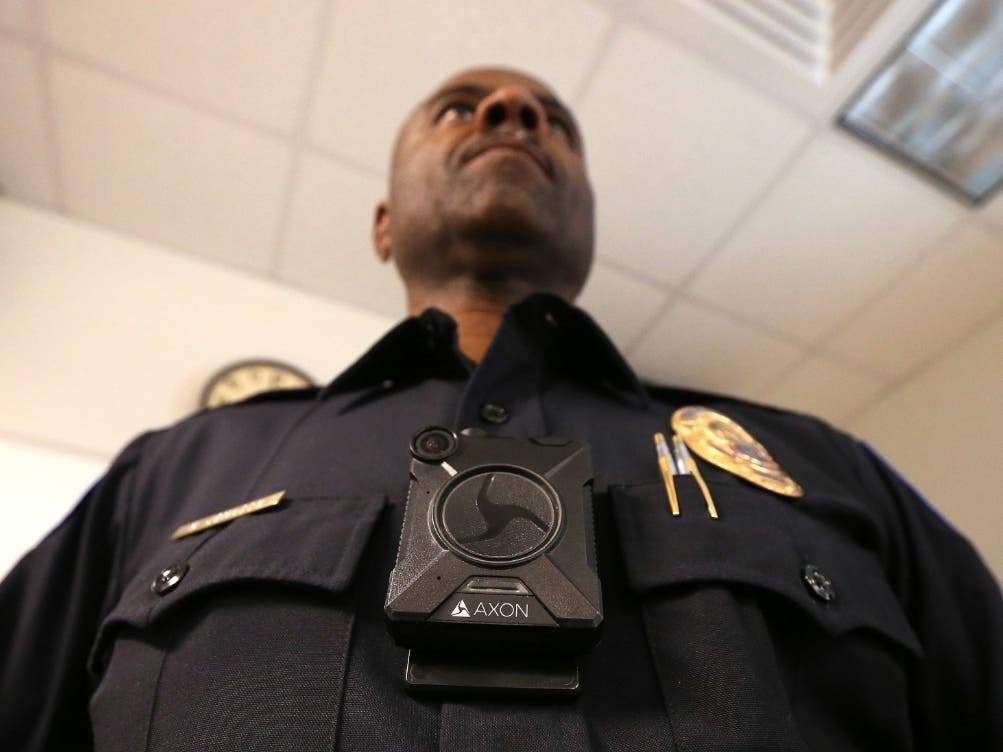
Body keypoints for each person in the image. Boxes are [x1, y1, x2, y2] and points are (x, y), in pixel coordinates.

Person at [1, 67, 1000, 752]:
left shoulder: (822, 464)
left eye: (547, 117)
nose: (512, 117)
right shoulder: (174, 469)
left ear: (589, 223)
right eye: (462, 106)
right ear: (384, 224)